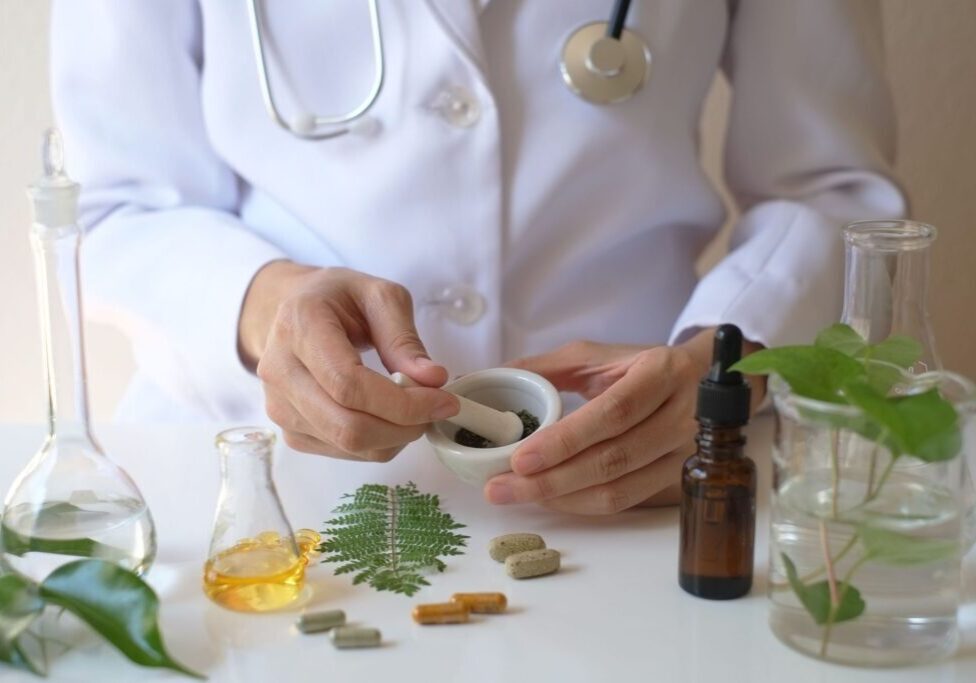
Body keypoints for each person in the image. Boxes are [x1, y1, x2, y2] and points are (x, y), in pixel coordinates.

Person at [51, 1, 904, 514]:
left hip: (648, 471)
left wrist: (723, 371)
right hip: (260, 478)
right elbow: (118, 204)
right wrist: (272, 308)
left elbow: (828, 186)